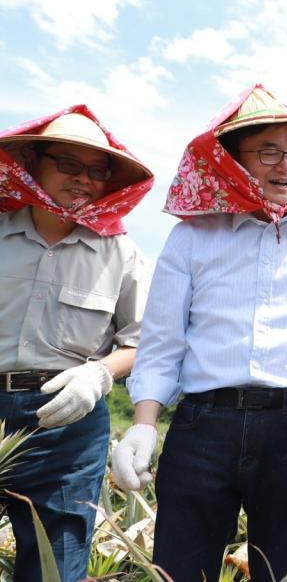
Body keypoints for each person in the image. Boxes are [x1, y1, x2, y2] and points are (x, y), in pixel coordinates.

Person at [110, 85, 287, 581]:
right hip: (203, 426)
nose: (286, 165)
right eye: (268, 151)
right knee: (182, 571)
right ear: (231, 161)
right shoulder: (192, 236)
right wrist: (144, 423)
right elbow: (164, 341)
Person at [0, 107, 153, 581]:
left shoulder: (121, 254)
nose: (83, 180)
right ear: (34, 163)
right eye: (68, 164)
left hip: (69, 423)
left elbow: (141, 341)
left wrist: (100, 374)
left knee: (56, 564)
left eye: (96, 171)